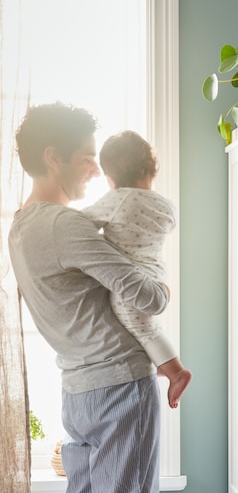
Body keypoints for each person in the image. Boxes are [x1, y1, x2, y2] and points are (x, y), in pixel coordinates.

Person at [9, 102, 171, 493]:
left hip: (76, 392)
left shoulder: (22, 227)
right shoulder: (65, 225)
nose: (91, 168)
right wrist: (157, 277)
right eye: (83, 156)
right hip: (119, 387)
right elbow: (143, 293)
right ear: (53, 157)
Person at [85, 131, 191, 409]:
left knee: (141, 328)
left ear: (113, 177)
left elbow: (82, 221)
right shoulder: (167, 206)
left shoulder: (118, 198)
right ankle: (163, 362)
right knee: (148, 328)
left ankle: (177, 372)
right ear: (151, 169)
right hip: (155, 274)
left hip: (132, 281)